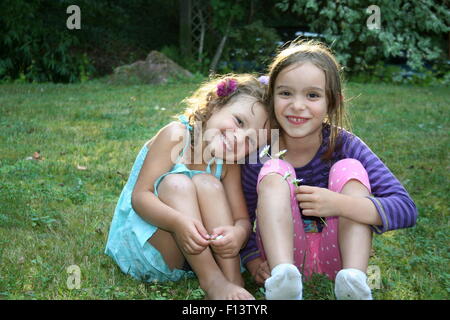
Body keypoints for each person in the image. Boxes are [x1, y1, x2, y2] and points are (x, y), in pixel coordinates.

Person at [240, 40, 418, 300]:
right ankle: (283, 282)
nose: (297, 105)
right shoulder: (260, 154)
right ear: (271, 97)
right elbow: (243, 220)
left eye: (312, 95)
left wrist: (339, 204)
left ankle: (354, 282)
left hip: (340, 258)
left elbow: (405, 208)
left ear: (332, 103)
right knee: (275, 169)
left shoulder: (345, 144)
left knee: (350, 168)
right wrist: (254, 262)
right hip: (283, 259)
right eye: (286, 93)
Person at [105, 74, 270, 300]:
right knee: (177, 183)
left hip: (197, 251)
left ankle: (232, 279)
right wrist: (178, 223)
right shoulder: (176, 135)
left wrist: (238, 233)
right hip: (154, 248)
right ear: (216, 104)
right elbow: (140, 197)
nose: (238, 138)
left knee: (206, 183)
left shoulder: (230, 163)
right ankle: (212, 280)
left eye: (251, 141)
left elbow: (242, 219)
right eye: (239, 122)